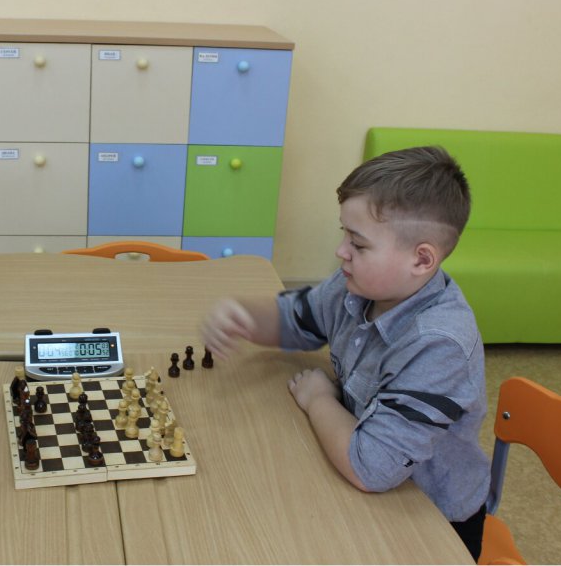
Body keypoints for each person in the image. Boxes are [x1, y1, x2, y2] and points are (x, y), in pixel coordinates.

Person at [201, 146, 489, 561]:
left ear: (421, 259)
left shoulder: (439, 344)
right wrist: (244, 316)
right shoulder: (358, 285)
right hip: (363, 485)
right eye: (345, 235)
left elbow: (370, 467)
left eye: (358, 243)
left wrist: (319, 399)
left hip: (429, 522)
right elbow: (296, 320)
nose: (341, 251)